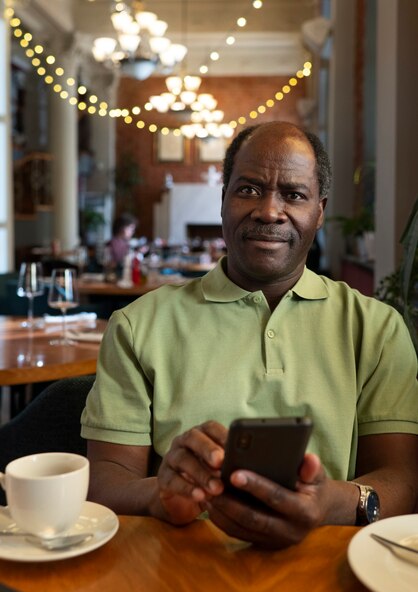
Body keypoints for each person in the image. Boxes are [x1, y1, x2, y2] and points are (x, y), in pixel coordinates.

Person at [81, 121, 418, 550]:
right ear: (223, 201)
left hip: (331, 573)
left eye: (293, 195)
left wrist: (330, 502)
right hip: (175, 572)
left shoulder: (376, 329)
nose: (269, 211)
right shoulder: (136, 325)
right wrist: (160, 493)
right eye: (248, 189)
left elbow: (404, 480)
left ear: (319, 212)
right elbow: (105, 479)